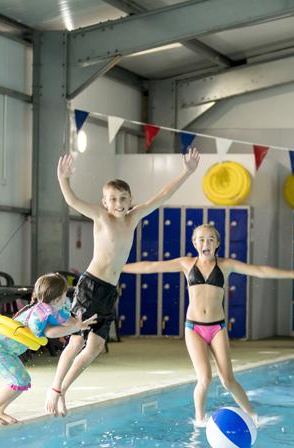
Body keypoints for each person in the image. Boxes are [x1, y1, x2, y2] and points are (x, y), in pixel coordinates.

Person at [46, 148, 200, 416]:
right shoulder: (101, 217)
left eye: (123, 199)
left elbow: (163, 195)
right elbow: (72, 201)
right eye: (113, 199)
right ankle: (55, 388)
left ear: (130, 200)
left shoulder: (133, 218)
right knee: (76, 342)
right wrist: (64, 179)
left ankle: (63, 389)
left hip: (108, 291)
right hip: (91, 285)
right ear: (104, 202)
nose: (118, 203)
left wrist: (186, 171)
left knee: (94, 347)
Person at [123, 223, 294, 425]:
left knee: (228, 379)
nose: (206, 243)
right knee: (204, 379)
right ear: (194, 243)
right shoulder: (186, 264)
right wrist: (118, 268)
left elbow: (258, 271)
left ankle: (253, 416)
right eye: (201, 239)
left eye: (210, 239)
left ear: (217, 244)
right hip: (194, 328)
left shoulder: (225, 265)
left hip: (217, 328)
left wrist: (293, 274)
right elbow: (150, 266)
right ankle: (199, 420)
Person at [0, 274, 96, 425]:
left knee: (22, 381)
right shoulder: (39, 314)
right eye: (64, 295)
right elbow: (50, 332)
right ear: (57, 299)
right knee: (20, 381)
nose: (65, 298)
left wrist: (79, 324)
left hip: (7, 351)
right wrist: (73, 328)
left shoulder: (53, 307)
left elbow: (67, 319)